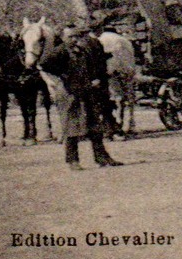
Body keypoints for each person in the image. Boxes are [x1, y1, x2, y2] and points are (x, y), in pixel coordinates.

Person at [38, 25, 122, 169]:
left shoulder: (83, 51)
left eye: (76, 36)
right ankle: (73, 161)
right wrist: (64, 76)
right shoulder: (59, 51)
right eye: (70, 36)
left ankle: (102, 157)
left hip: (87, 91)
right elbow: (44, 64)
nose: (74, 39)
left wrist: (95, 79)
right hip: (69, 94)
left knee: (94, 125)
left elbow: (94, 68)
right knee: (72, 127)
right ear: (63, 38)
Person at [97, 18, 139, 138]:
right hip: (127, 70)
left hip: (110, 72)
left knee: (115, 97)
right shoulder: (124, 40)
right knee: (128, 97)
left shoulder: (101, 39)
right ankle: (130, 122)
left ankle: (116, 123)